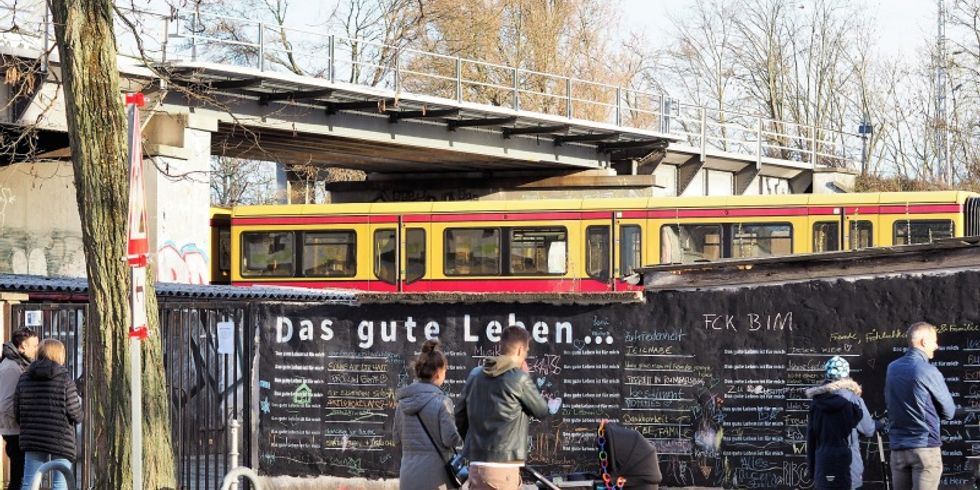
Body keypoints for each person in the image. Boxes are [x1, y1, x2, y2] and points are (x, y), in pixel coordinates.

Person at [455, 326, 549, 490]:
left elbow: (459, 415)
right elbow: (542, 410)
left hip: (475, 466)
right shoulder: (519, 378)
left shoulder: (475, 375)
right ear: (520, 350)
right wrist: (526, 376)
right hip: (503, 469)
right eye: (526, 352)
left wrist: (475, 442)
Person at [884, 322, 956, 490]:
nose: (937, 346)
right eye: (934, 341)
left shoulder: (892, 368)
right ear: (924, 342)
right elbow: (949, 412)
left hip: (898, 450)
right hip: (925, 449)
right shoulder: (928, 370)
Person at [394, 339, 463, 490]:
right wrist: (460, 432)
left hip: (408, 477)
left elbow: (397, 439)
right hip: (437, 479)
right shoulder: (443, 402)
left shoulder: (402, 403)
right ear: (438, 373)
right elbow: (449, 440)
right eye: (445, 370)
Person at [14, 339, 82, 490]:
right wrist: (79, 417)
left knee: (29, 482)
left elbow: (17, 410)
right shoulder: (65, 380)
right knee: (60, 482)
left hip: (33, 437)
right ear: (59, 354)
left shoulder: (24, 378)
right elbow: (75, 413)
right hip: (61, 438)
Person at [805, 355, 875, 489]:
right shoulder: (854, 400)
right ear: (847, 374)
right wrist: (878, 424)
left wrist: (813, 470)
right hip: (848, 465)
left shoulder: (816, 403)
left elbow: (811, 439)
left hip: (824, 464)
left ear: (827, 375)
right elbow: (868, 430)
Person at [0, 328, 39, 490]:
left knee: (20, 476)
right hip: (15, 431)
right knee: (19, 477)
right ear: (22, 347)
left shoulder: (17, 364)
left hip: (16, 429)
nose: (36, 349)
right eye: (34, 346)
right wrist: (24, 421)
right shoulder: (12, 368)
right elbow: (6, 403)